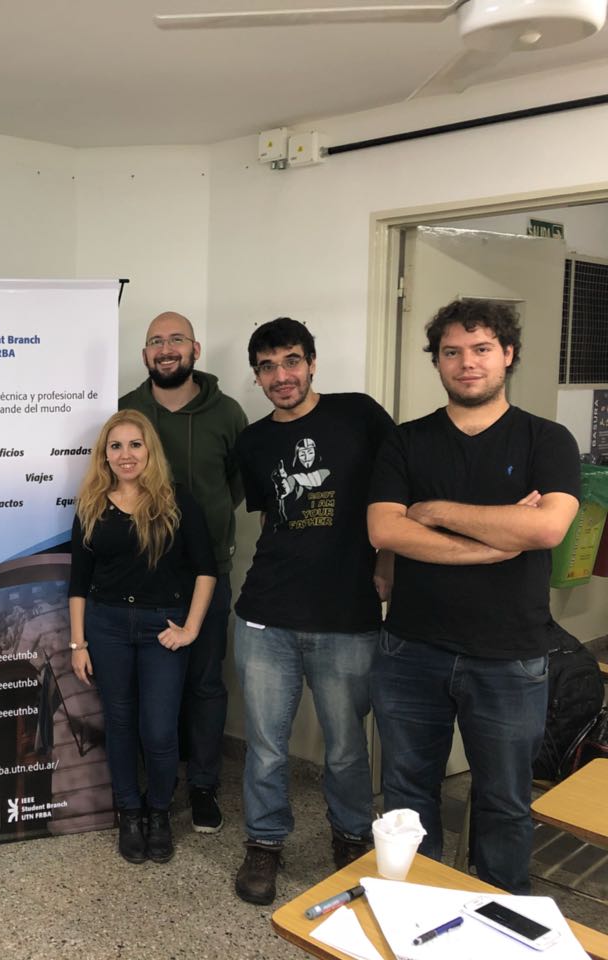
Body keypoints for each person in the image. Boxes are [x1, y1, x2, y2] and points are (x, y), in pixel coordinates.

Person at [368, 299, 580, 894]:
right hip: (411, 651)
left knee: (504, 802)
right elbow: (385, 530)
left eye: (482, 348)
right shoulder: (406, 441)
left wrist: (432, 511)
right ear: (437, 361)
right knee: (407, 795)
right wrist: (495, 542)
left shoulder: (547, 440)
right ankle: (415, 906)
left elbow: (546, 528)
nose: (467, 363)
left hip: (509, 656)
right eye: (452, 352)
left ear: (507, 355)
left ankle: (500, 914)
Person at [230, 318, 395, 905]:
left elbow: (396, 492)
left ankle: (350, 839)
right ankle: (264, 843)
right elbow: (273, 517)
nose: (281, 376)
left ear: (312, 363)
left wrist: (388, 561)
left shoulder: (359, 414)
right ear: (257, 376)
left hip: (346, 614)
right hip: (265, 615)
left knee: (346, 745)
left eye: (291, 361)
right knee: (266, 746)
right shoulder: (253, 441)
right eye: (268, 367)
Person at [68, 409, 217, 864]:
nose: (126, 454)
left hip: (161, 628)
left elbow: (206, 569)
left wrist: (191, 629)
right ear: (104, 455)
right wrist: (78, 644)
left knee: (158, 729)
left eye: (135, 444)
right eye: (115, 446)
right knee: (119, 723)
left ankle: (159, 811)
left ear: (149, 449)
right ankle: (129, 812)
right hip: (107, 627)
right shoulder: (92, 504)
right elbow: (79, 581)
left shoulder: (176, 501)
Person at [120, 310, 246, 833]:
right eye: (156, 341)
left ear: (195, 349)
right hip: (142, 577)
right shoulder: (127, 410)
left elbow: (237, 483)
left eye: (176, 339)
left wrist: (202, 528)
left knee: (205, 683)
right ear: (145, 354)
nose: (166, 349)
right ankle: (157, 786)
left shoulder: (228, 413)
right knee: (149, 688)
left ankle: (203, 785)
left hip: (206, 573)